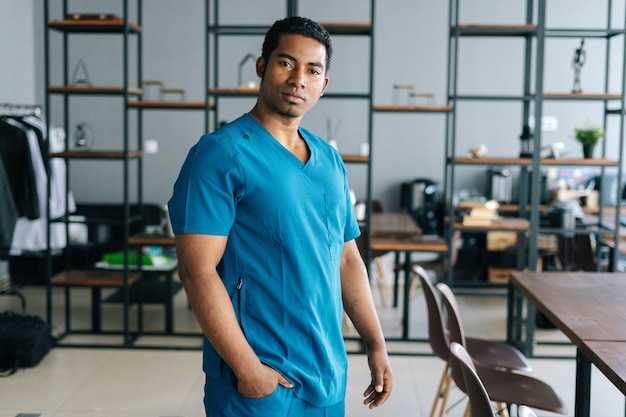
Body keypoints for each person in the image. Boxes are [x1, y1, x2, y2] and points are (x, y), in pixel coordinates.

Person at [168, 16, 392, 417]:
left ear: (323, 84)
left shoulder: (330, 160)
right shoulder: (219, 155)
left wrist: (375, 343)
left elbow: (346, 258)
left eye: (312, 70)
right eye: (286, 63)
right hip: (258, 381)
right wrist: (248, 370)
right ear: (262, 67)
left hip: (326, 375)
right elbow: (196, 271)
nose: (298, 79)